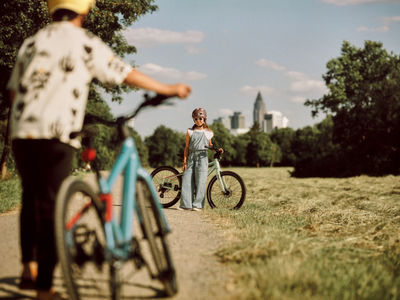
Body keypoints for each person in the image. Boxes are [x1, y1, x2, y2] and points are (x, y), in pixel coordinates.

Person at [7, 1, 191, 299]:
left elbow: (14, 90)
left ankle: (28, 268)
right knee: (53, 207)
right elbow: (123, 72)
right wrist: (168, 88)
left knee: (32, 198)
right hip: (59, 134)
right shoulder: (85, 42)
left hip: (23, 133)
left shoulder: (32, 42)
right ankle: (44, 289)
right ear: (84, 11)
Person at [179, 108, 223, 211]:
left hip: (203, 157)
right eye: (195, 119)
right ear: (193, 120)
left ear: (204, 119)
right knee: (187, 179)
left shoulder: (208, 132)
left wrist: (217, 149)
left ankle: (197, 205)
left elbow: (210, 145)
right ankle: (186, 204)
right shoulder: (190, 132)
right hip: (191, 157)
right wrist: (184, 161)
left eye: (200, 118)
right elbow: (186, 147)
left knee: (201, 181)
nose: (198, 121)